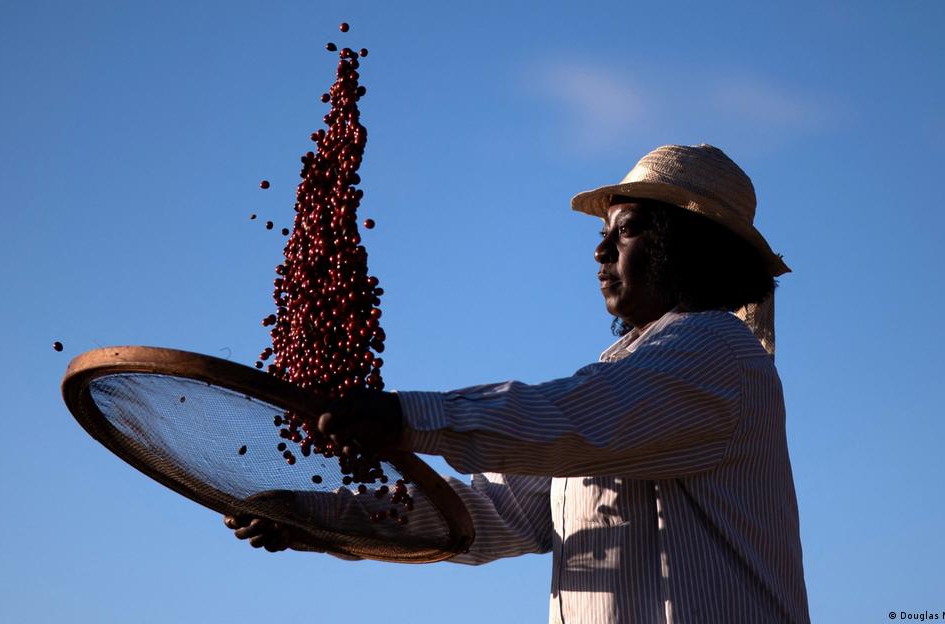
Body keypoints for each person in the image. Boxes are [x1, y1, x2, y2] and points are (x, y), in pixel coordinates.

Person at [225, 144, 811, 624]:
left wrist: (405, 417)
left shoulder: (715, 350)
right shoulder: (631, 372)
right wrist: (316, 516)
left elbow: (573, 420)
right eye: (604, 232)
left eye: (627, 231)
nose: (600, 251)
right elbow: (489, 513)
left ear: (686, 247)